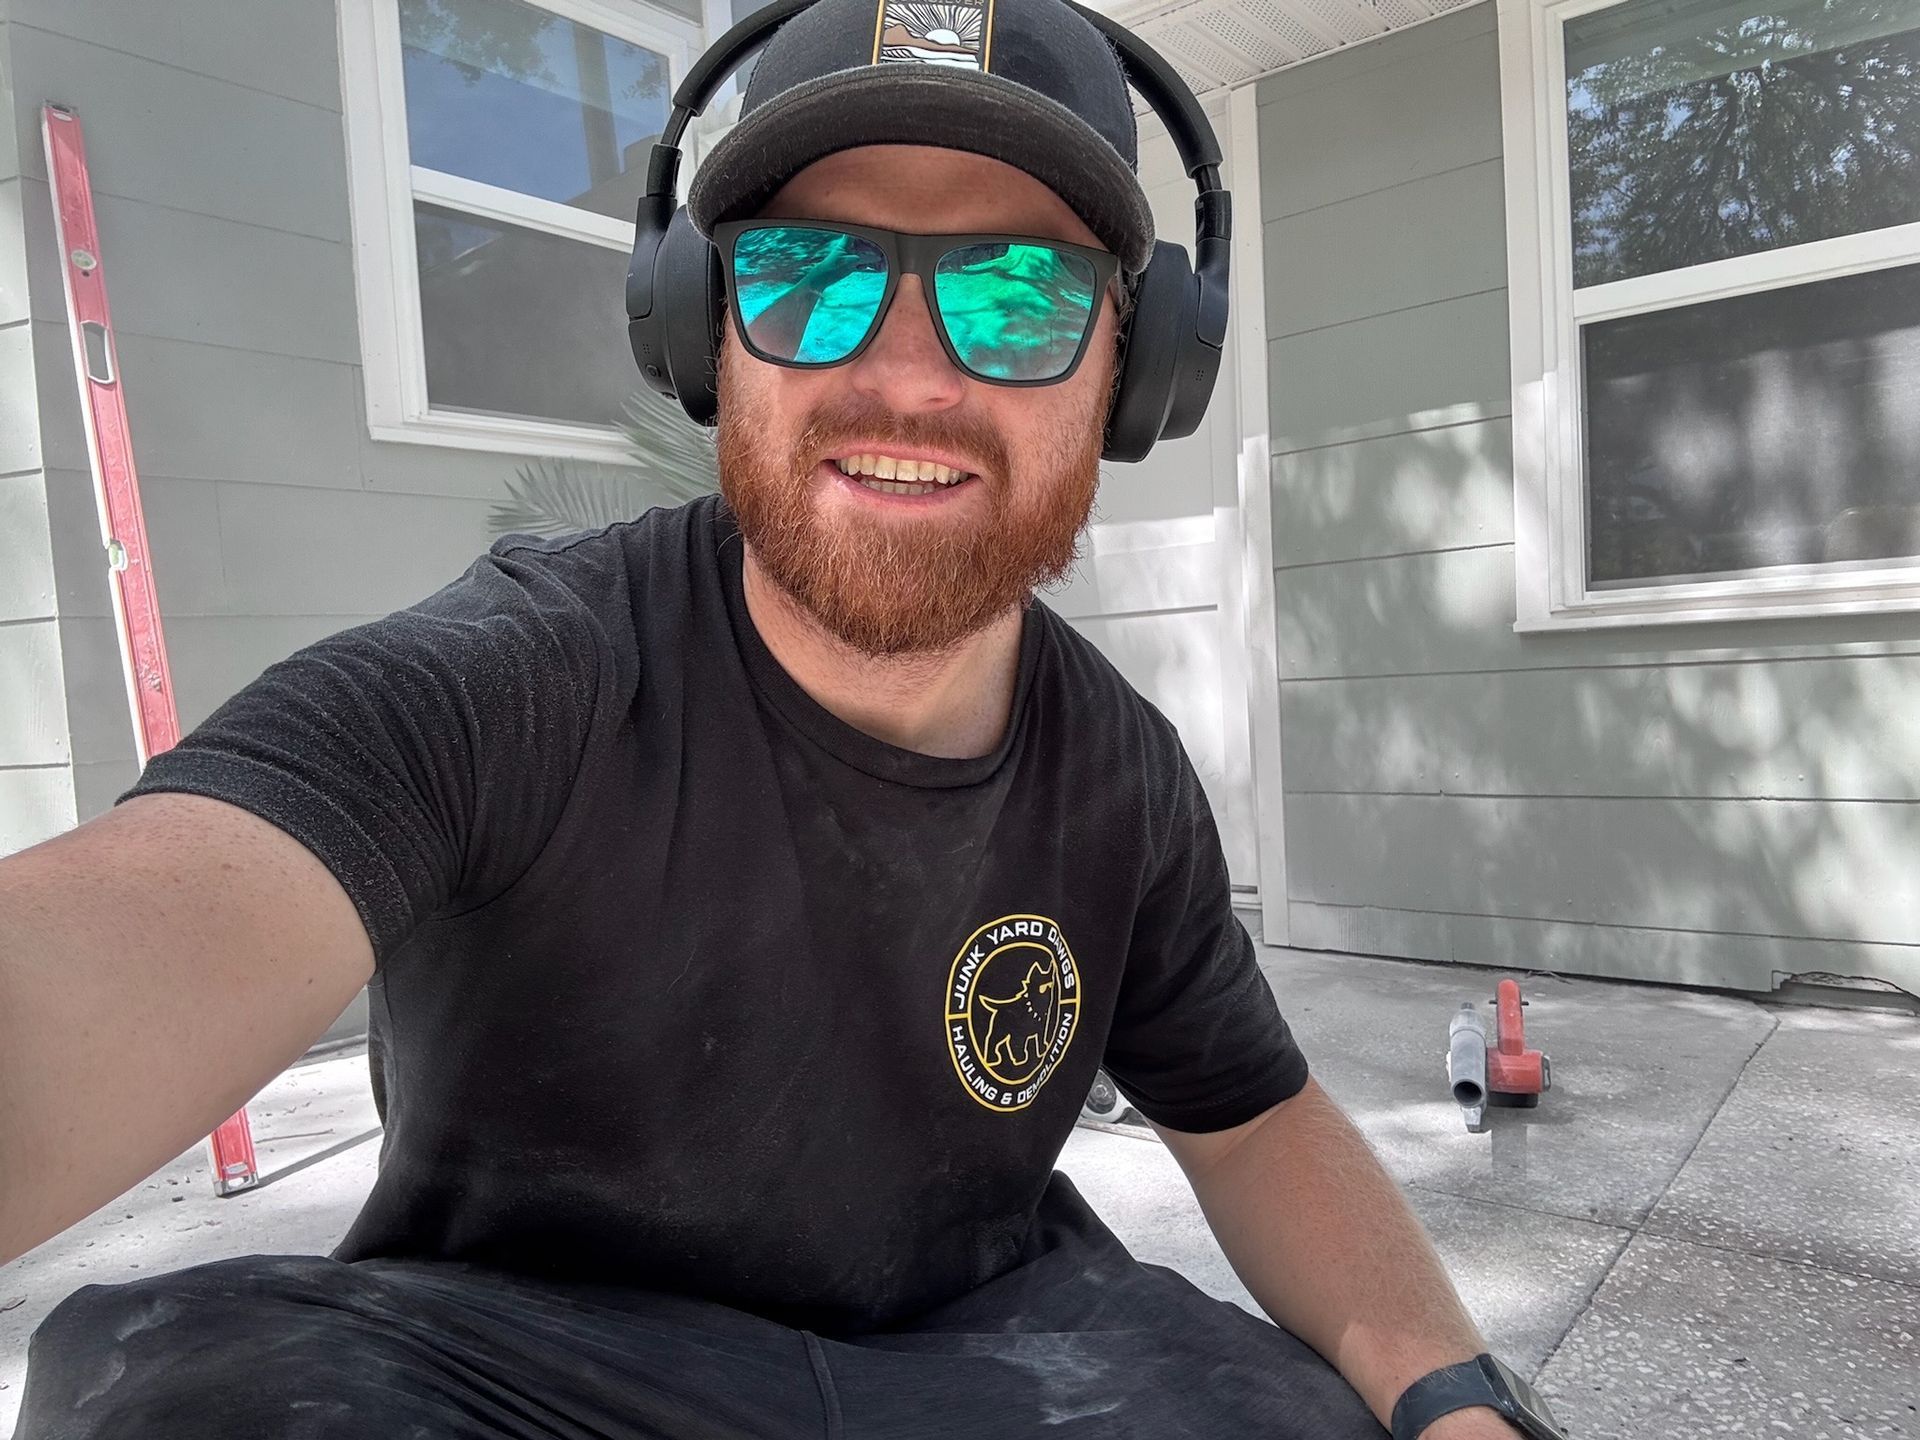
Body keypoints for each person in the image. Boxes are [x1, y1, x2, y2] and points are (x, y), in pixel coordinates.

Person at [0, 0, 1557, 1435]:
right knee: (173, 1401)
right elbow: (139, 935)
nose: (906, 378)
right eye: (810, 277)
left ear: (1136, 375)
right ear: (701, 334)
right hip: (529, 1363)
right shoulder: (521, 674)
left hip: (992, 1354)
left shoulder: (1121, 778)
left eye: (1019, 297)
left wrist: (1454, 1398)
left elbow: (1253, 1118)